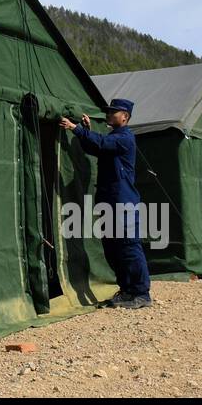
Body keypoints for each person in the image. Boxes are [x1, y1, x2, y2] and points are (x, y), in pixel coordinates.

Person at [59, 99, 151, 308]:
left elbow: (102, 144)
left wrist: (76, 129)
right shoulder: (114, 137)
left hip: (123, 201)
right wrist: (85, 130)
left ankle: (141, 293)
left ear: (125, 117)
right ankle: (127, 290)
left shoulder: (125, 138)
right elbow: (97, 147)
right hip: (109, 200)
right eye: (108, 112)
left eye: (113, 112)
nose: (108, 115)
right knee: (112, 248)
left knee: (128, 246)